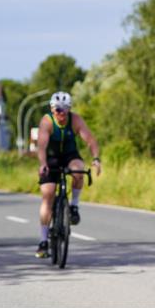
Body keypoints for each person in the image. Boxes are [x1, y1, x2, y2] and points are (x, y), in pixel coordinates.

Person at [35, 91, 101, 258]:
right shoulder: (47, 121)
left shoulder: (76, 120)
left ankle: (73, 206)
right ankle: (43, 242)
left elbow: (91, 141)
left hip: (70, 156)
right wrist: (43, 164)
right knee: (48, 194)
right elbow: (41, 147)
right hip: (51, 158)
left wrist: (96, 159)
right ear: (52, 109)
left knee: (79, 170)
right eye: (58, 109)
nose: (61, 113)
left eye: (65, 109)